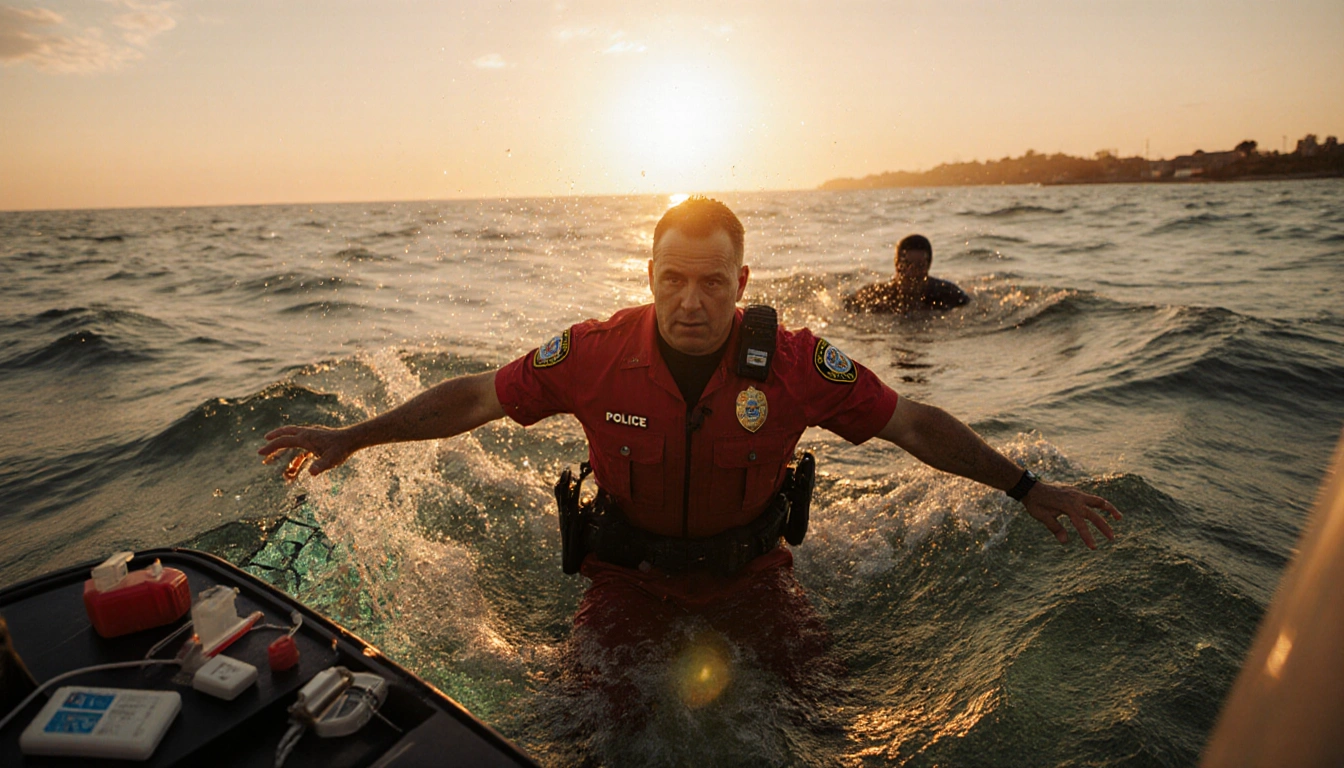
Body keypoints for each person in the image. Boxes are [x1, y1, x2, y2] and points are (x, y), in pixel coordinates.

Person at [258, 197, 1118, 691]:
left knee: (824, 714)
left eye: (714, 281)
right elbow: (476, 397)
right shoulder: (594, 355)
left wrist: (1025, 487)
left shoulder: (794, 362)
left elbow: (912, 423)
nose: (693, 300)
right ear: (650, 278)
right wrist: (353, 436)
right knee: (579, 723)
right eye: (675, 279)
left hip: (753, 580)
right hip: (626, 581)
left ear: (742, 283)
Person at [845, 233, 969, 313]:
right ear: (897, 265)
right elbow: (846, 307)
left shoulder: (946, 294)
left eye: (920, 265)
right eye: (907, 264)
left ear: (928, 266)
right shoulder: (879, 295)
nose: (912, 272)